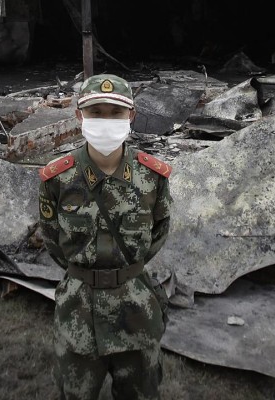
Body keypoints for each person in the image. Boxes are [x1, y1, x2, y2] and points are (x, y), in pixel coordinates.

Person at [38, 73, 173, 400]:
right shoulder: (58, 178)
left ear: (131, 116)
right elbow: (53, 241)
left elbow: (159, 231)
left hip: (136, 312)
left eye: (115, 113)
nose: (106, 120)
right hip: (78, 313)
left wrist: (124, 270)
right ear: (79, 116)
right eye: (96, 111)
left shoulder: (152, 176)